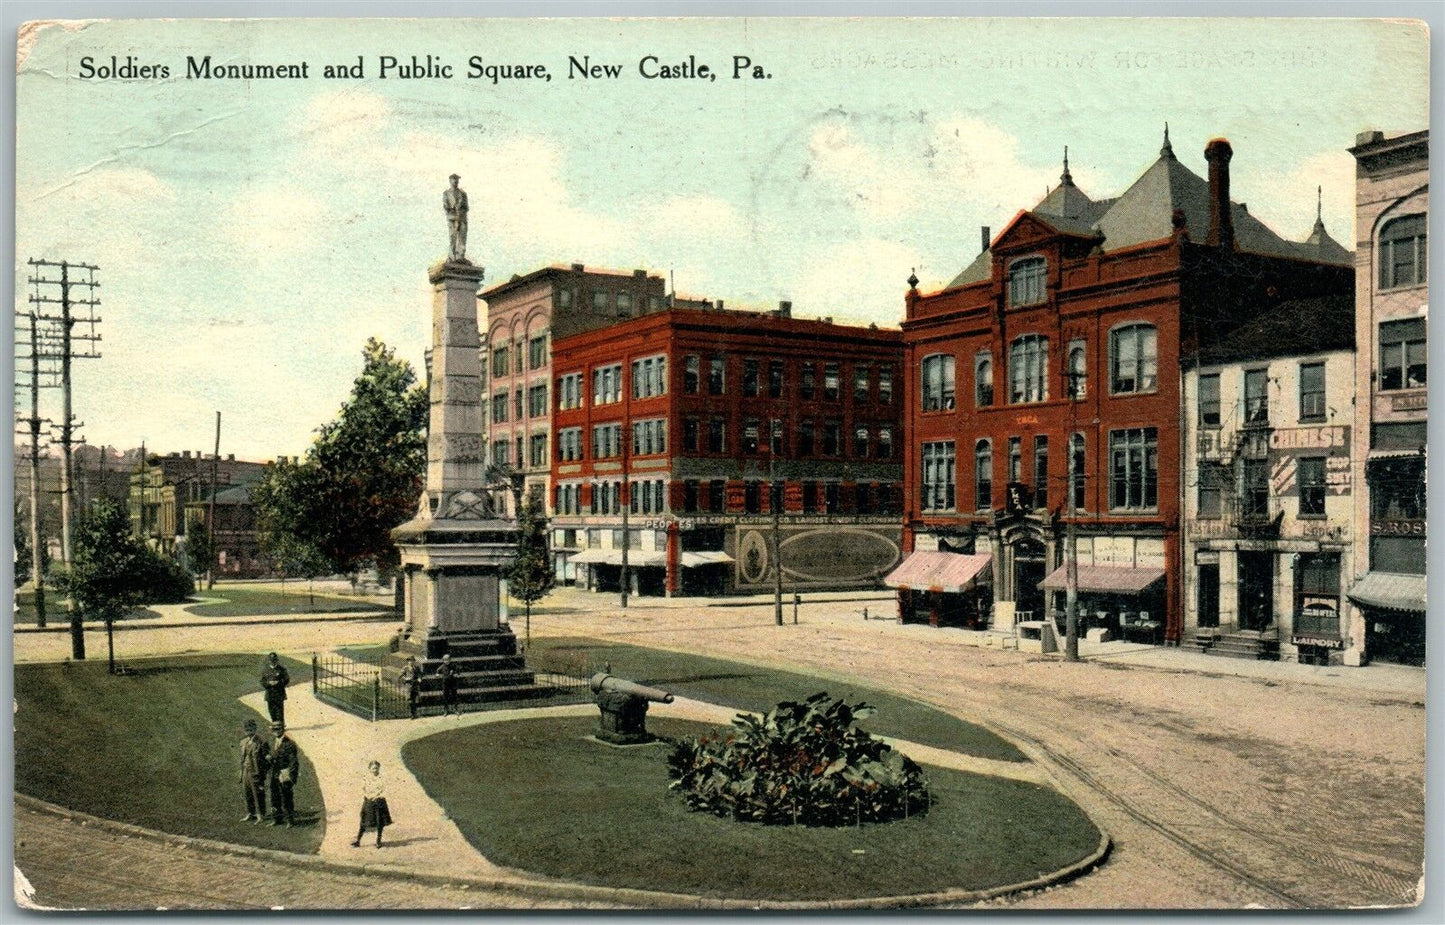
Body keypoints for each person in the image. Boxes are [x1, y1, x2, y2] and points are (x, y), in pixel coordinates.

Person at [352, 760, 392, 848]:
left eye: (377, 768)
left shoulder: (382, 778)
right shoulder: (366, 778)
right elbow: (362, 789)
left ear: (379, 768)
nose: (375, 770)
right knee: (364, 821)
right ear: (369, 769)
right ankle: (358, 841)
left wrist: (377, 796)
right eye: (373, 768)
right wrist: (368, 796)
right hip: (369, 801)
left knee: (379, 822)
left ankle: (378, 841)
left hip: (379, 802)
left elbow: (385, 790)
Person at [267, 721, 299, 826]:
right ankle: (277, 819)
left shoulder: (289, 744)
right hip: (274, 774)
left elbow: (293, 762)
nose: (276, 731)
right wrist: (270, 759)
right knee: (274, 797)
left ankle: (290, 820)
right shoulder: (273, 742)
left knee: (286, 798)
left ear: (283, 730)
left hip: (284, 774)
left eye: (278, 729)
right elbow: (274, 758)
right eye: (274, 729)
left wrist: (290, 777)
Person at [238, 718, 269, 824]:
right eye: (246, 729)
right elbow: (242, 758)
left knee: (258, 794)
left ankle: (261, 815)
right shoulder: (243, 742)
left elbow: (266, 761)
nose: (248, 731)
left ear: (255, 729)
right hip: (246, 771)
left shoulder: (261, 742)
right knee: (247, 793)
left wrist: (263, 774)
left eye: (250, 728)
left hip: (256, 772)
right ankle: (250, 813)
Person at [443, 173, 468, 261]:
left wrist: (461, 211)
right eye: (454, 179)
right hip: (452, 219)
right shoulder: (446, 193)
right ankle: (451, 257)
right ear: (450, 181)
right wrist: (453, 210)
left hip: (462, 218)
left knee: (462, 238)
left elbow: (466, 207)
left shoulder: (463, 194)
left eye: (457, 179)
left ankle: (460, 257)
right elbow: (446, 206)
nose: (456, 181)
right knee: (452, 238)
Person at [261, 653, 290, 724]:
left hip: (279, 693)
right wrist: (268, 683)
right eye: (271, 661)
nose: (273, 662)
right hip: (270, 693)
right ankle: (275, 725)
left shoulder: (282, 669)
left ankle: (281, 726)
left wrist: (278, 682)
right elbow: (262, 681)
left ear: (277, 661)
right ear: (269, 661)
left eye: (274, 660)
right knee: (271, 711)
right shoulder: (266, 670)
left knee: (279, 711)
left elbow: (286, 679)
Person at [399, 655, 421, 719]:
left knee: (415, 699)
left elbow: (420, 674)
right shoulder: (405, 668)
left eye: (412, 661)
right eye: (410, 661)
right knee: (410, 700)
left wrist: (419, 678)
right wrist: (406, 678)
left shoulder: (416, 668)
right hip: (409, 686)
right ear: (408, 662)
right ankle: (411, 714)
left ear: (414, 661)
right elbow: (400, 675)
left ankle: (415, 713)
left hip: (415, 685)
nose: (411, 662)